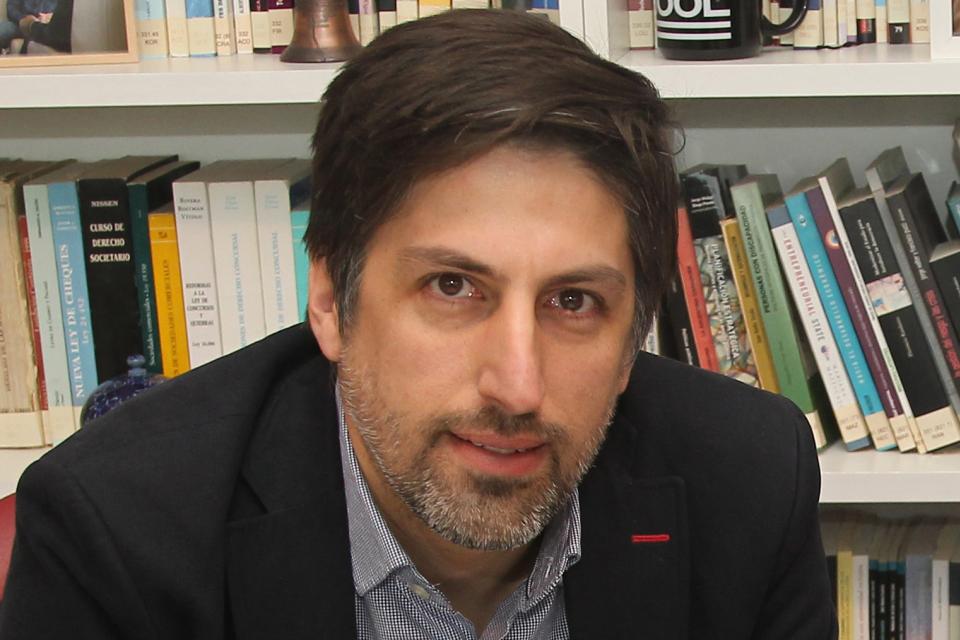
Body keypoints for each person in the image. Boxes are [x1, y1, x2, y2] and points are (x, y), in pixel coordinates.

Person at [0, 9, 836, 639]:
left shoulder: (750, 481)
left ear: (631, 344)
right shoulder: (117, 533)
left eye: (573, 302)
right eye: (452, 287)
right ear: (331, 301)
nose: (517, 385)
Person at [0, 0, 70, 53]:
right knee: (2, 29)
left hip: (46, 26)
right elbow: (11, 9)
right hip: (20, 24)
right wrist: (23, 19)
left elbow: (63, 12)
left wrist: (49, 17)